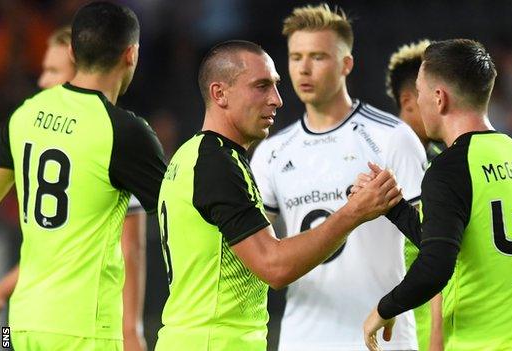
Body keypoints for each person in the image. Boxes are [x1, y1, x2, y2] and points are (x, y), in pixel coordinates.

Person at [154, 40, 402, 351]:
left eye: (275, 86)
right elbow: (274, 266)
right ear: (220, 94)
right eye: (261, 86)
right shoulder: (217, 165)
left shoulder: (189, 156)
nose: (277, 100)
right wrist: (353, 213)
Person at [361, 39, 512, 351]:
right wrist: (395, 207)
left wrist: (384, 309)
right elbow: (455, 243)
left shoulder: (450, 167)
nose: (417, 99)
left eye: (420, 90)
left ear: (439, 98)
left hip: (484, 344)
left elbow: (436, 267)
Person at [250, 4, 427, 351]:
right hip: (302, 339)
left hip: (383, 339)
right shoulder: (272, 153)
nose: (304, 68)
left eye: (318, 57)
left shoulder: (393, 137)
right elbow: (261, 258)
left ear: (346, 64)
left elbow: (432, 245)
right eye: (296, 56)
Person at [0, 2, 166, 349]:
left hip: (19, 325)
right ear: (131, 54)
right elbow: (175, 219)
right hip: (84, 330)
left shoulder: (24, 116)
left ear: (73, 50)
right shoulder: (125, 133)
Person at [385, 40, 444, 351]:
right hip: (409, 328)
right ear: (409, 101)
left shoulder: (441, 160)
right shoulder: (384, 160)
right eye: (434, 95)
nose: (445, 103)